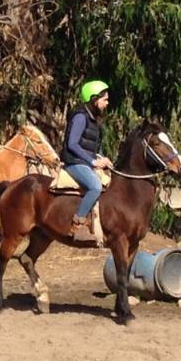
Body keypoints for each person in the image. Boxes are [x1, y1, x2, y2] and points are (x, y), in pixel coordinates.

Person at [61, 80, 114, 244]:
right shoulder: (80, 117)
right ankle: (78, 223)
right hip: (74, 162)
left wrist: (101, 158)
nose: (107, 103)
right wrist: (93, 161)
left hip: (85, 161)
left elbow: (92, 146)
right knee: (95, 186)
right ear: (94, 99)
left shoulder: (94, 119)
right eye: (104, 99)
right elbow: (72, 144)